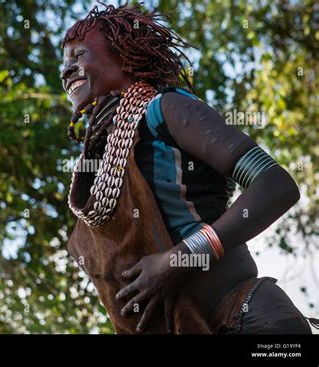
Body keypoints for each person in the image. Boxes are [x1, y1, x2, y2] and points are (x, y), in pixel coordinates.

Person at [61, 2, 314, 334]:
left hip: (249, 318)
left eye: (78, 56)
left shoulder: (166, 109)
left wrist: (179, 258)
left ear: (124, 56)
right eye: (63, 62)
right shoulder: (99, 165)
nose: (66, 70)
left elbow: (276, 185)